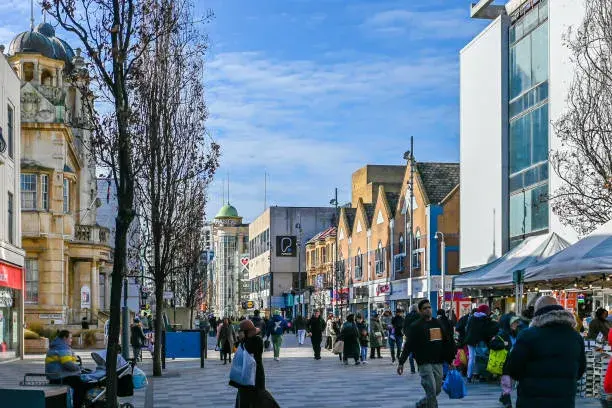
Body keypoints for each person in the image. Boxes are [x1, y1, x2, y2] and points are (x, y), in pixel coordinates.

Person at [507, 296, 586, 408]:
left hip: (532, 400)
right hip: (564, 401)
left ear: (537, 313)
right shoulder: (575, 337)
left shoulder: (527, 335)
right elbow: (580, 369)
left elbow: (514, 369)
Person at [397, 299, 455, 407]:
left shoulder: (438, 323)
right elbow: (408, 345)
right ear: (420, 311)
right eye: (425, 308)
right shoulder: (416, 326)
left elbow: (446, 342)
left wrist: (450, 360)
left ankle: (422, 403)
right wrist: (401, 362)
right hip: (424, 362)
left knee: (437, 389)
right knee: (431, 389)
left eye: (429, 307)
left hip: (438, 361)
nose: (428, 310)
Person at [232, 319, 281, 408]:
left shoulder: (256, 340)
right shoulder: (245, 341)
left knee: (259, 396)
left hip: (255, 373)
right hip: (246, 374)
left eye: (241, 331)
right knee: (244, 395)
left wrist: (242, 340)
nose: (239, 333)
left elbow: (249, 349)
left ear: (246, 332)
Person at [46, 330, 93, 408]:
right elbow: (67, 364)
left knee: (80, 380)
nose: (71, 340)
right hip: (60, 376)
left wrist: (79, 368)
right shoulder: (62, 347)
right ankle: (77, 406)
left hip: (54, 376)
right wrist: (79, 369)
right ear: (65, 338)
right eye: (70, 338)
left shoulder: (56, 345)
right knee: (81, 386)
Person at [492, 313, 521, 408]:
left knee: (510, 381)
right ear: (508, 324)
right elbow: (493, 345)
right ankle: (507, 399)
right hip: (505, 362)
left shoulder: (517, 334)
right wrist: (503, 345)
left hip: (514, 361)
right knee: (507, 381)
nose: (516, 324)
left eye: (516, 322)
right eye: (514, 322)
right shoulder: (502, 334)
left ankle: (503, 395)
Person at [464, 304, 499, 382]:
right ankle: (480, 375)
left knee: (471, 358)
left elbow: (468, 329)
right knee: (481, 358)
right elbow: (486, 331)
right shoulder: (484, 319)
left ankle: (469, 376)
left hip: (470, 340)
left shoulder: (472, 318)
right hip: (479, 341)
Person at [403, 304, 421, 374]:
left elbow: (404, 327)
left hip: (410, 338)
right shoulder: (420, 315)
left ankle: (412, 369)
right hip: (418, 338)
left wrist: (406, 335)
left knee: (410, 354)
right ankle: (419, 368)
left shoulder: (407, 316)